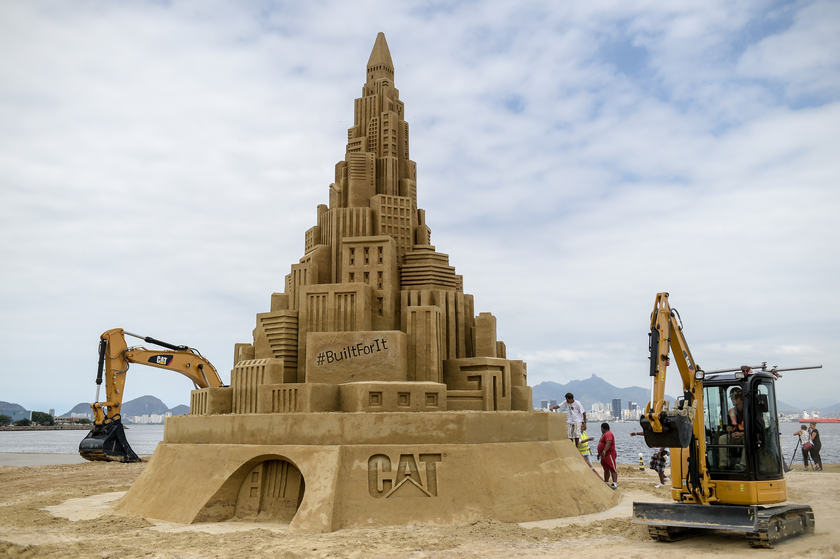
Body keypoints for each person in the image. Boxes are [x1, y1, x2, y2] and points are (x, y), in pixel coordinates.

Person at [597, 422, 618, 489]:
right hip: (604, 456)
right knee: (606, 469)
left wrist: (604, 451)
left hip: (609, 454)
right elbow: (602, 444)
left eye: (601, 428)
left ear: (603, 428)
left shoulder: (608, 434)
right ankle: (606, 482)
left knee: (612, 468)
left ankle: (614, 484)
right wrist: (599, 454)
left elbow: (609, 442)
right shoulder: (604, 434)